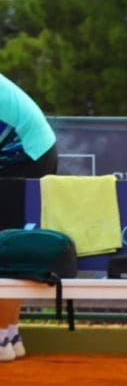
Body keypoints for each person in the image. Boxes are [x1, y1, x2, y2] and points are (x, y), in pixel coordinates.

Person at [0, 73, 60, 362]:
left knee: (6, 248)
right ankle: (9, 335)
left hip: (25, 155)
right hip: (29, 150)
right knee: (7, 248)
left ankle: (2, 336)